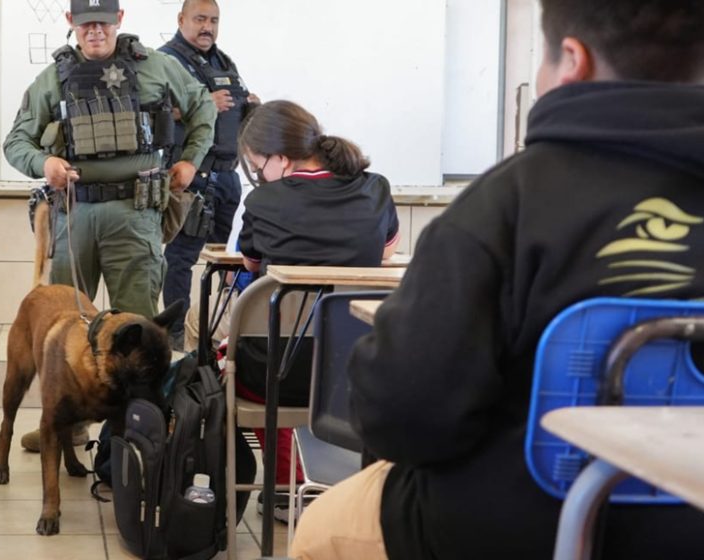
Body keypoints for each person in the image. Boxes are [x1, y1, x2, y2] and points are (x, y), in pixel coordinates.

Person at [293, 1, 704, 558]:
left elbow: (403, 417)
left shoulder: (504, 203)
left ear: (573, 61)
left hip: (513, 526)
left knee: (321, 529)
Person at [3, 0, 216, 452]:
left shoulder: (155, 66)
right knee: (66, 327)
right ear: (70, 23)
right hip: (74, 214)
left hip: (135, 214)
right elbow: (16, 141)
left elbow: (203, 108)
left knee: (137, 329)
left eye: (103, 22)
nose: (94, 31)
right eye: (85, 24)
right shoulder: (54, 78)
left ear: (120, 19)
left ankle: (131, 439)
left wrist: (190, 161)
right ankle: (71, 427)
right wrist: (44, 163)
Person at [234, 99, 399, 522]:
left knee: (226, 346)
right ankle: (351, 490)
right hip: (355, 370)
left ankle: (285, 485)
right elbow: (385, 253)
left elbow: (250, 262)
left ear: (281, 159)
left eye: (257, 166)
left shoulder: (263, 201)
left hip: (277, 377)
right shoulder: (375, 188)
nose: (259, 176)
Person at [160, 0, 259, 350]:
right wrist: (201, 104)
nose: (207, 27)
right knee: (181, 260)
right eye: (200, 19)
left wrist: (250, 105)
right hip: (191, 178)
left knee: (231, 261)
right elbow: (152, 114)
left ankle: (221, 338)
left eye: (213, 20)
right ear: (181, 19)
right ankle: (175, 343)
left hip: (228, 177)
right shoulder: (165, 61)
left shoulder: (223, 62)